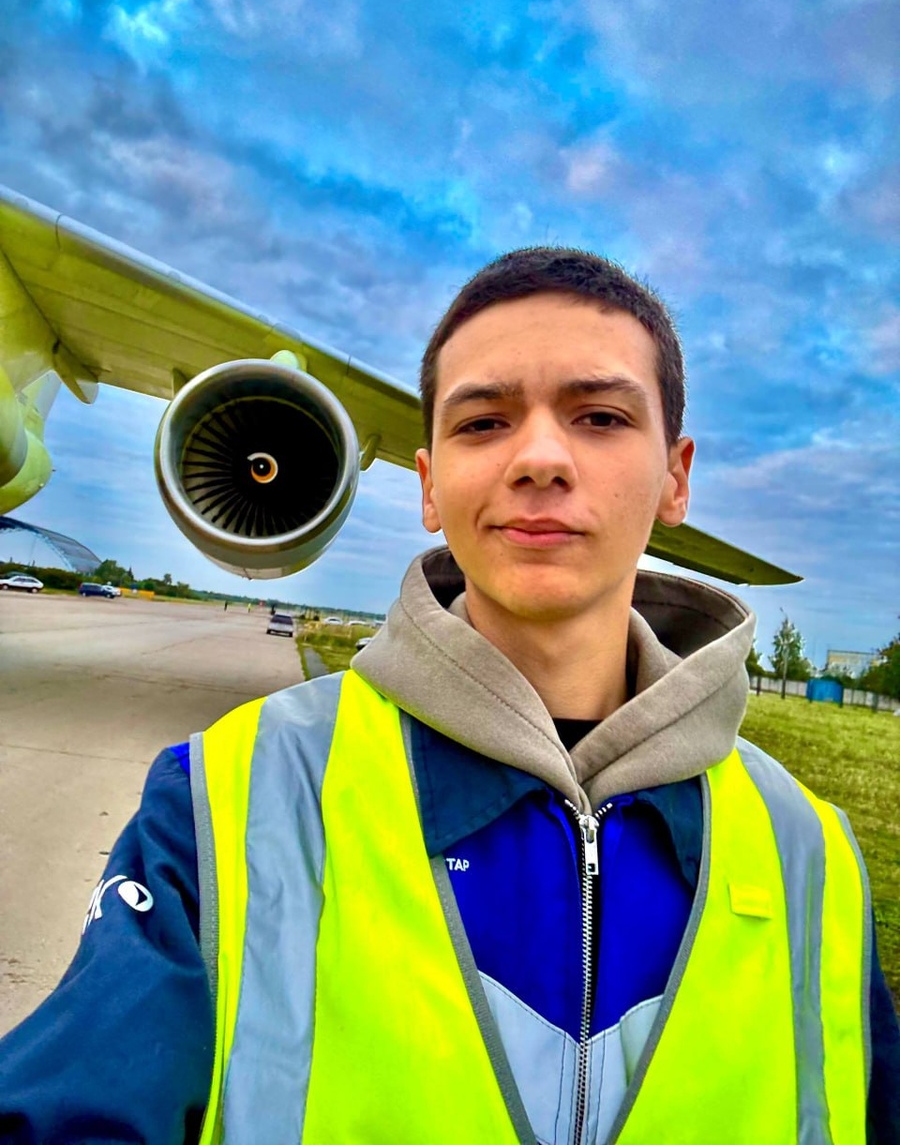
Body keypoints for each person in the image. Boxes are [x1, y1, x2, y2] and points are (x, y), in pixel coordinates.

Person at [1, 249, 897, 1143]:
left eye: (599, 416)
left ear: (676, 476)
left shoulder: (807, 857)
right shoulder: (229, 805)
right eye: (484, 422)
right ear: (428, 486)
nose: (539, 458)